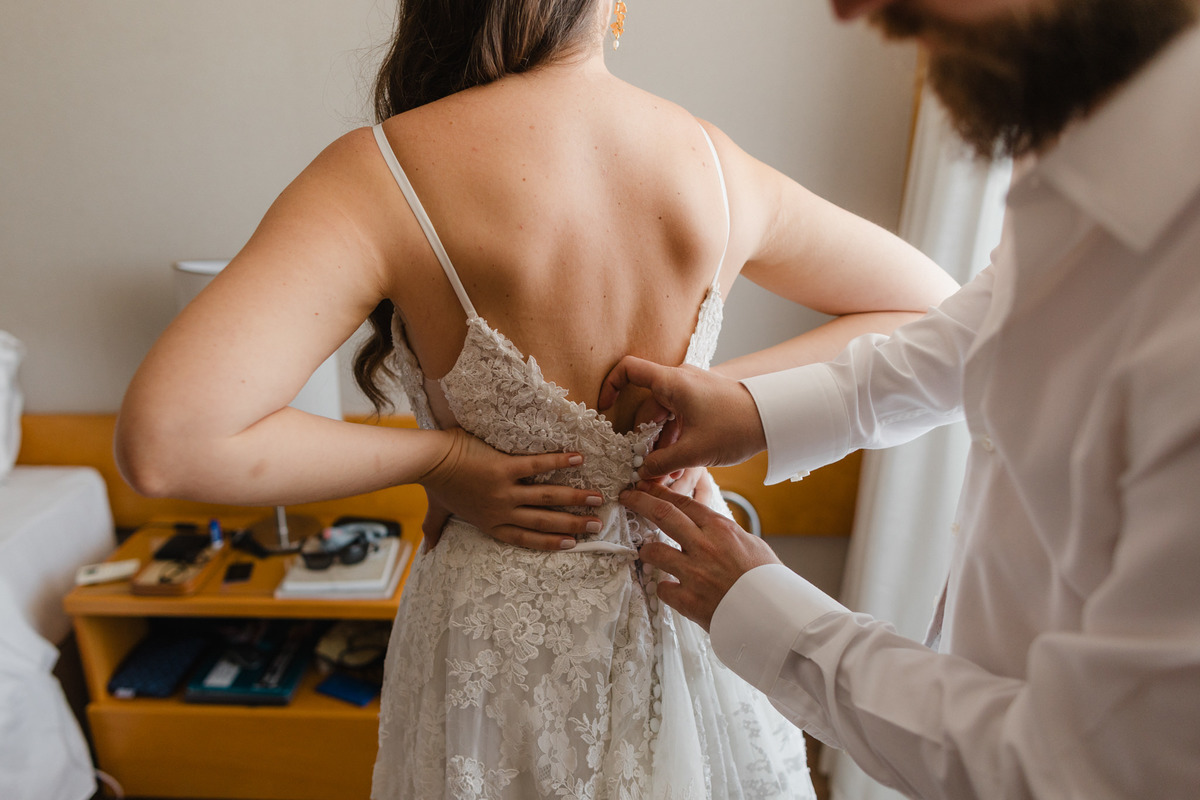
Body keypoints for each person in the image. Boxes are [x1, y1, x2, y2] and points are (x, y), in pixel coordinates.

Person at [114, 0, 958, 796]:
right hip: (688, 592)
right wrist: (730, 399)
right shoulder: (710, 162)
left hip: (493, 643)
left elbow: (168, 440)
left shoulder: (383, 173)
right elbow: (935, 314)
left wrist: (441, 459)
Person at [607, 1, 1200, 798]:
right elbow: (1003, 311)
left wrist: (770, 615)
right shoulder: (1080, 130)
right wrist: (756, 412)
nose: (855, 11)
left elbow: (1083, 772)